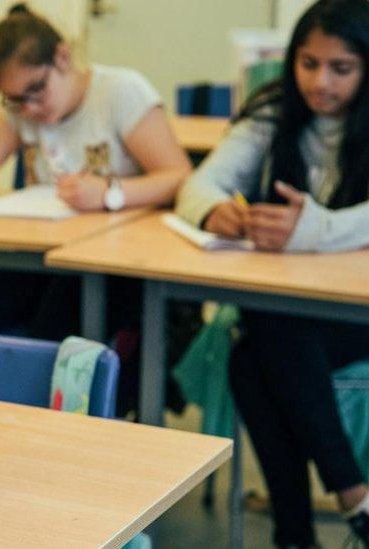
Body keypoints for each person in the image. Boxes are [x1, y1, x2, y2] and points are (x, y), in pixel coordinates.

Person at [176, 1, 369, 546]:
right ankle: (350, 503)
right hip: (294, 320)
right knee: (259, 345)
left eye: (341, 68)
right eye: (308, 63)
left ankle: (301, 530)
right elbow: (198, 184)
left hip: (357, 315)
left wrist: (314, 230)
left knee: (261, 340)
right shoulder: (274, 112)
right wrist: (217, 211)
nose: (320, 82)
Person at [0, 3, 191, 349]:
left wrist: (110, 193)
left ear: (62, 58)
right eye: (15, 100)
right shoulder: (20, 110)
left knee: (51, 334)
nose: (30, 109)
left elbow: (178, 176)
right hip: (43, 257)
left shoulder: (120, 91)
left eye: (36, 90)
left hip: (114, 264)